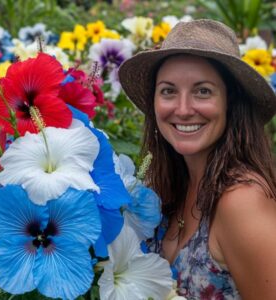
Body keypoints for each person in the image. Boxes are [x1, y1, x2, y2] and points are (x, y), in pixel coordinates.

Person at [118, 19, 276, 299]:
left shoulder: (242, 202)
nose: (183, 109)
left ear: (231, 102)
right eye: (168, 91)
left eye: (202, 91)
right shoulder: (166, 187)